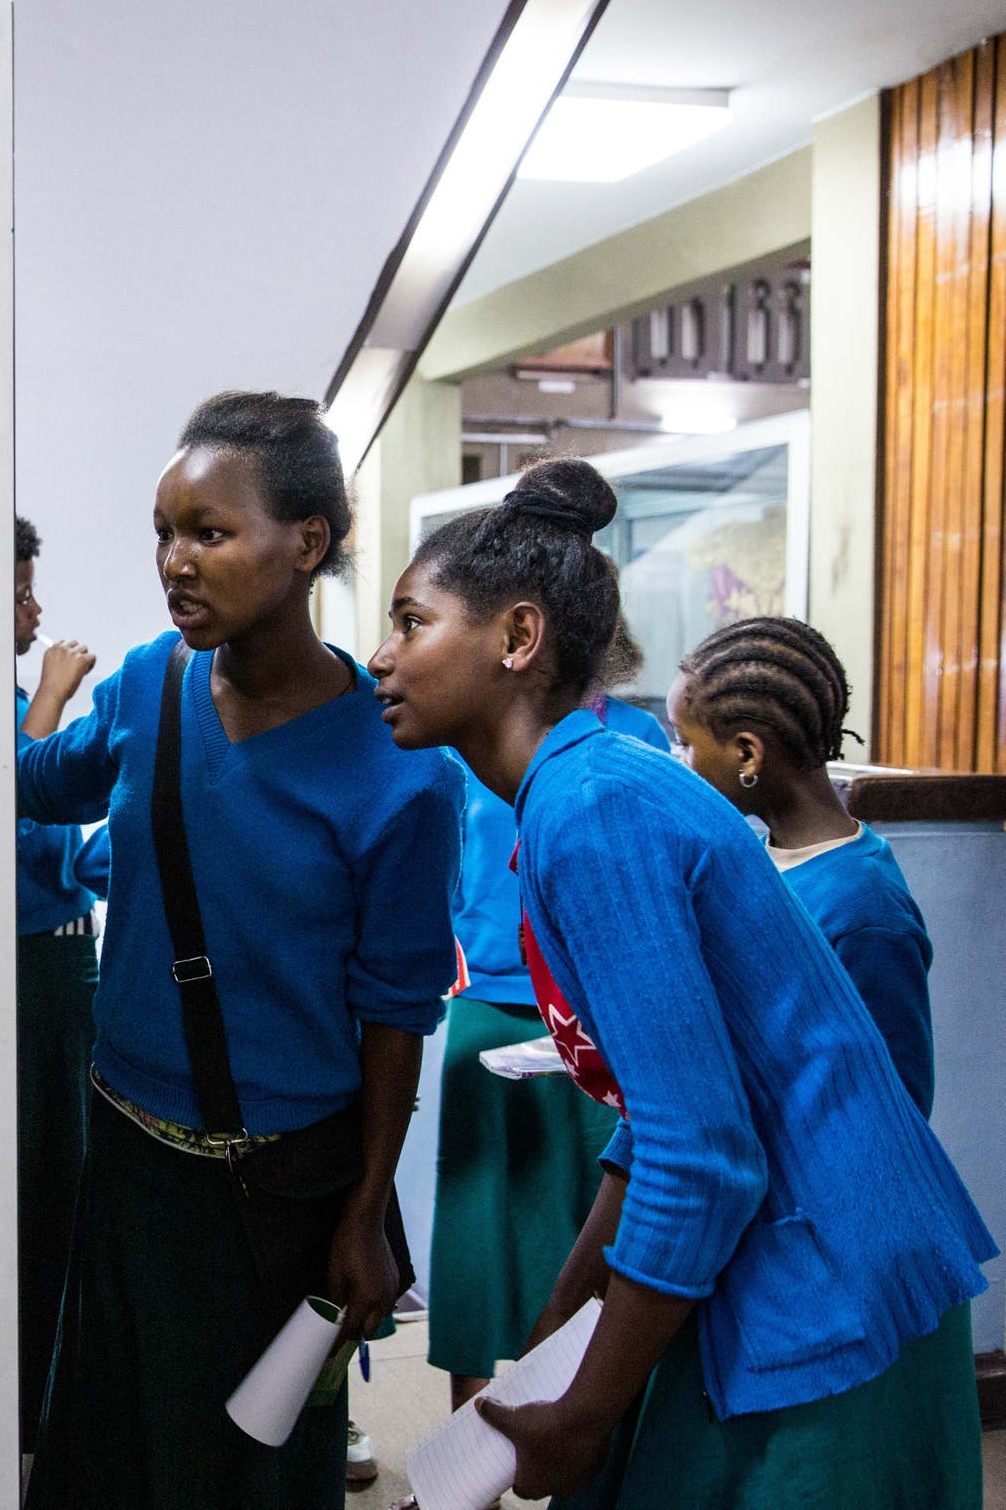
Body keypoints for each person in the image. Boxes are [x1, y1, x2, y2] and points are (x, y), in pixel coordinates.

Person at [366, 457, 994, 1508]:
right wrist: (561, 1319)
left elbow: (701, 1153)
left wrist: (580, 1407)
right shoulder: (582, 789)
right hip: (803, 1256)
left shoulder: (592, 810)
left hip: (828, 1285)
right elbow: (665, 1112)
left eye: (409, 622)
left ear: (516, 638)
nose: (381, 658)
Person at [19, 392, 462, 1509]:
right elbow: (33, 783)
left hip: (282, 1188)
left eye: (207, 533)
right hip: (125, 1158)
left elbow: (396, 1008)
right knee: (108, 1456)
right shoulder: (145, 684)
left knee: (250, 1468)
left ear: (305, 542)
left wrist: (362, 1210)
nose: (175, 561)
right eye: (163, 533)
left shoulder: (397, 765)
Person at [427, 626, 669, 1414]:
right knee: (478, 1234)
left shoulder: (634, 737)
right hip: (491, 1005)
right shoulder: (469, 736)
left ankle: (590, 1434)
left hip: (603, 1017)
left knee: (596, 1225)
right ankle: (469, 1450)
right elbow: (440, 861)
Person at [668, 616, 934, 1114]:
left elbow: (896, 1110)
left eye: (686, 743)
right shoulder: (755, 858)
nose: (676, 760)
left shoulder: (866, 913)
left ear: (747, 754)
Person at [14, 515, 100, 1457]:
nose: (35, 608)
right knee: (41, 1194)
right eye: (19, 591)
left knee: (64, 1195)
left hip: (61, 966)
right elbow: (19, 803)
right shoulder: (1, 709)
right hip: (33, 974)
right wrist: (51, 697)